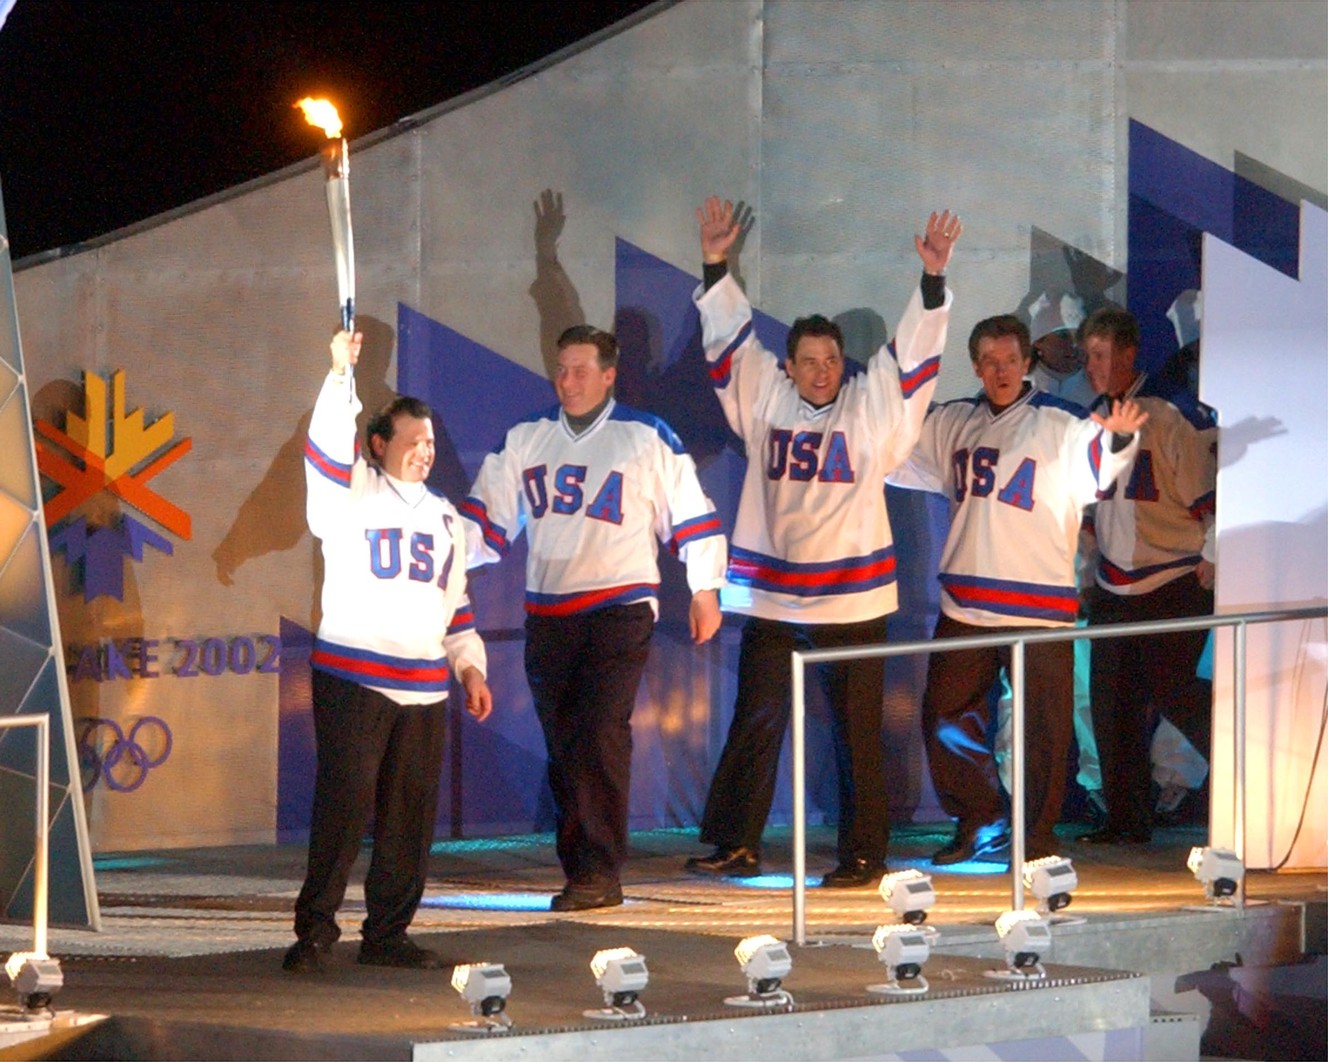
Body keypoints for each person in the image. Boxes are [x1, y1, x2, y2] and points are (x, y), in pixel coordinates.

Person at [684, 196, 961, 888]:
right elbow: (729, 344)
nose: (819, 370)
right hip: (776, 600)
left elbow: (911, 365)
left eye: (830, 358)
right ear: (790, 365)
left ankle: (864, 856)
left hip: (852, 602)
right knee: (755, 724)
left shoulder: (868, 409)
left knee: (856, 738)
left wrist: (929, 284)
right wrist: (716, 263)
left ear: (844, 362)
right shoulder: (766, 401)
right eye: (807, 360)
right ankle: (737, 843)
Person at [460, 324, 725, 912]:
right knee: (564, 743)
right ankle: (580, 864)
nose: (569, 382)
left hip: (620, 607)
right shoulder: (527, 438)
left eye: (582, 370)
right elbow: (486, 524)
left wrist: (706, 585)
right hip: (550, 611)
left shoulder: (645, 435)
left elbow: (692, 513)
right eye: (562, 370)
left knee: (601, 732)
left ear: (609, 375)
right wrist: (437, 559)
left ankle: (599, 871)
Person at [889, 315, 1146, 865]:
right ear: (976, 365)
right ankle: (978, 817)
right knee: (945, 715)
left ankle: (1034, 839)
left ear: (1027, 362)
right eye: (989, 361)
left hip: (1039, 607)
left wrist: (1120, 436)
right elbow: (891, 454)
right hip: (966, 604)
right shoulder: (952, 420)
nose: (1000, 370)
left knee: (1044, 734)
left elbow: (1100, 467)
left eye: (1010, 359)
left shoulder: (1062, 420)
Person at [284, 328, 492, 975]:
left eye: (431, 442)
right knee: (343, 807)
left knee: (408, 816)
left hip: (425, 688)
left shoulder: (449, 519)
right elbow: (323, 450)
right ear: (380, 444)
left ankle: (388, 934)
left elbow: (455, 610)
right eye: (414, 440)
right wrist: (340, 377)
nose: (426, 452)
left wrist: (471, 667)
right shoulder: (350, 493)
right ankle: (315, 930)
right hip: (354, 676)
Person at [1077, 307, 1216, 845]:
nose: (1092, 366)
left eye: (1102, 354)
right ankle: (1126, 819)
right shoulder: (1092, 418)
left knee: (1174, 688)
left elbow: (1209, 498)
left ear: (1130, 354)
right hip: (1115, 582)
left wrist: (1211, 553)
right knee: (1111, 703)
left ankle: (1241, 771)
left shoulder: (1171, 414)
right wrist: (1090, 566)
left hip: (1173, 575)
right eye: (1088, 355)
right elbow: (1091, 505)